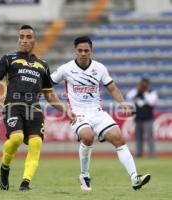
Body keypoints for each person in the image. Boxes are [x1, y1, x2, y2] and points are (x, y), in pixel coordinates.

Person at [50, 36, 151, 191]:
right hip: (78, 113)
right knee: (88, 136)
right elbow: (47, 86)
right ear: (75, 51)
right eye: (80, 50)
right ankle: (84, 175)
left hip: (97, 112)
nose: (83, 53)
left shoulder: (100, 68)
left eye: (86, 50)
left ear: (91, 51)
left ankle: (134, 177)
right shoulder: (65, 69)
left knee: (119, 138)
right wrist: (63, 108)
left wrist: (122, 103)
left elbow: (112, 88)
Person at [0, 25, 75, 191]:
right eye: (22, 37)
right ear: (18, 40)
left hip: (34, 109)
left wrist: (66, 110)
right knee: (17, 139)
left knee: (35, 144)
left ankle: (25, 183)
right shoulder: (8, 58)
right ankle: (4, 167)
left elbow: (49, 95)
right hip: (13, 106)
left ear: (34, 40)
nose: (25, 40)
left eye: (28, 37)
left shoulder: (43, 65)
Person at [126, 78, 158, 158]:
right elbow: (128, 97)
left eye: (145, 84)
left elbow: (151, 102)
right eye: (142, 84)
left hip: (148, 118)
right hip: (138, 118)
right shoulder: (136, 92)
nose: (143, 86)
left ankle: (152, 154)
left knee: (149, 137)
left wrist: (145, 92)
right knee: (138, 137)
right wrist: (138, 90)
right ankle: (139, 154)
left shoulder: (152, 92)